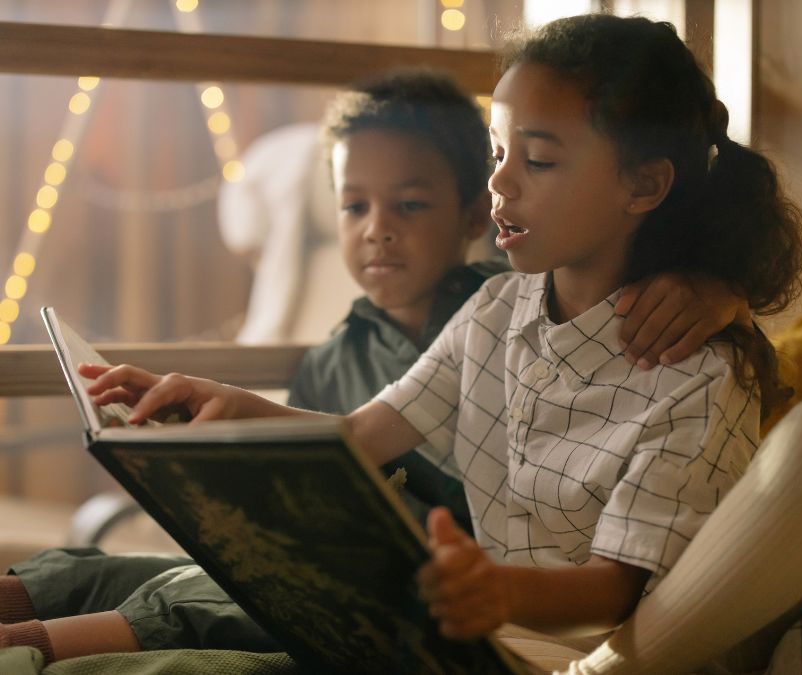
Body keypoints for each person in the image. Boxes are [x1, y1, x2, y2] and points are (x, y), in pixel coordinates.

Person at [0, 59, 759, 666]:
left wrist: (492, 590)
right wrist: (213, 402)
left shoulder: (691, 374)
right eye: (499, 155)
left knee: (222, 593)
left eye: (536, 158)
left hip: (515, 636)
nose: (499, 183)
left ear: (645, 183)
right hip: (443, 601)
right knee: (141, 570)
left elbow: (620, 587)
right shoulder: (501, 310)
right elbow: (360, 433)